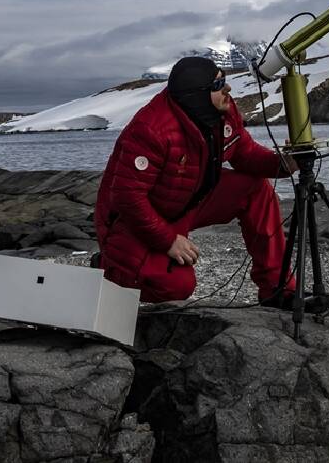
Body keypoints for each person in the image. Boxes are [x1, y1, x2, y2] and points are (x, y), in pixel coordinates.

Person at [94, 56, 302, 306]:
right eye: (217, 85)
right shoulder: (151, 130)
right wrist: (168, 240)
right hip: (132, 219)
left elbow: (243, 153)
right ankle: (109, 267)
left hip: (189, 198)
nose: (227, 89)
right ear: (197, 95)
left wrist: (282, 164)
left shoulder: (222, 109)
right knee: (176, 287)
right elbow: (127, 198)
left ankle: (278, 289)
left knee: (257, 190)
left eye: (223, 80)